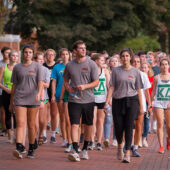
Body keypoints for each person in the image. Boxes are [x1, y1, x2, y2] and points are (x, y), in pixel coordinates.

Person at [104, 48, 143, 163]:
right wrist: (107, 102)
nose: (125, 58)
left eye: (127, 56)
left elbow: (138, 89)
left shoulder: (136, 71)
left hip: (132, 100)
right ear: (120, 58)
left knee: (129, 126)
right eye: (123, 56)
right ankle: (120, 146)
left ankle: (127, 152)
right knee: (119, 126)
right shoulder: (116, 71)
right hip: (118, 100)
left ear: (130, 57)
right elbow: (111, 87)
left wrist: (141, 106)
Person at [63, 40, 99, 162]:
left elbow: (96, 82)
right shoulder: (69, 65)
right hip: (74, 100)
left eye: (84, 48)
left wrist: (85, 86)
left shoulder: (92, 64)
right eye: (80, 48)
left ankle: (85, 148)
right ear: (75, 51)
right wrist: (68, 88)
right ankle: (75, 149)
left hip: (88, 100)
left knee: (88, 125)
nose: (83, 50)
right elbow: (65, 80)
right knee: (74, 124)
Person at [10, 45, 43, 159]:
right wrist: (11, 101)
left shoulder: (38, 66)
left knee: (31, 125)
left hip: (33, 98)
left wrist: (39, 94)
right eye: (25, 52)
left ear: (32, 54)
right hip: (20, 97)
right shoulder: (17, 67)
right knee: (20, 123)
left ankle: (32, 147)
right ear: (22, 54)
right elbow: (14, 85)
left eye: (30, 52)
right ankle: (19, 147)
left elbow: (40, 82)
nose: (27, 54)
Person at [88, 53, 110, 151]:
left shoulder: (105, 71)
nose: (103, 62)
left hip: (102, 98)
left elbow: (109, 86)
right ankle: (92, 141)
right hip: (91, 98)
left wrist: (109, 99)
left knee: (100, 121)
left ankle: (99, 142)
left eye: (103, 60)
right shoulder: (90, 71)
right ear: (96, 61)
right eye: (101, 60)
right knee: (92, 119)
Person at [51, 48, 71, 149]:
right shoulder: (57, 67)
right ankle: (65, 139)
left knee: (69, 119)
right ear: (60, 56)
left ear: (69, 55)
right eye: (63, 54)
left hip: (71, 95)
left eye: (66, 54)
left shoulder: (72, 65)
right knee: (62, 118)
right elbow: (54, 82)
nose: (65, 56)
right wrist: (53, 95)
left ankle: (71, 140)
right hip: (59, 95)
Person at [132, 56, 152, 157]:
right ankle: (126, 145)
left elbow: (147, 91)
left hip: (141, 103)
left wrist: (150, 104)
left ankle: (135, 146)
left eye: (138, 62)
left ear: (140, 64)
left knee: (139, 125)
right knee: (128, 126)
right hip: (129, 103)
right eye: (134, 62)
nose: (136, 63)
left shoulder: (143, 75)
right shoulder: (127, 73)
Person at [151, 58, 170, 153]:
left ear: (169, 65)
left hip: (168, 103)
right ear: (160, 66)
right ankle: (161, 146)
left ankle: (168, 140)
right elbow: (153, 91)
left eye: (166, 64)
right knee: (160, 124)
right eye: (163, 64)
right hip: (158, 102)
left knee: (169, 126)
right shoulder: (156, 77)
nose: (165, 66)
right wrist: (151, 103)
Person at [0, 50, 18, 143]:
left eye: (16, 56)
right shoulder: (3, 68)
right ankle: (10, 136)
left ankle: (16, 135)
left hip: (17, 93)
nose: (14, 57)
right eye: (13, 55)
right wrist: (5, 89)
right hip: (6, 92)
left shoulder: (19, 68)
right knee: (8, 113)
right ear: (9, 57)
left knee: (16, 114)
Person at [34, 52, 50, 145]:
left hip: (43, 97)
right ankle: (34, 139)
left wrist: (39, 83)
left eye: (41, 59)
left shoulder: (45, 70)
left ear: (43, 60)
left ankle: (41, 135)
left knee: (42, 120)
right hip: (32, 97)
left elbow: (47, 85)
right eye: (37, 59)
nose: (39, 61)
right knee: (35, 123)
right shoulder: (31, 69)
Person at [43, 49, 59, 143]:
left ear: (54, 56)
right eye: (48, 55)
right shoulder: (42, 66)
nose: (50, 56)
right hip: (45, 93)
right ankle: (44, 135)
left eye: (52, 55)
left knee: (54, 114)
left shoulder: (56, 66)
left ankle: (53, 135)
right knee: (44, 114)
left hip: (54, 92)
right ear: (45, 56)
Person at [141, 62, 154, 147]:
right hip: (140, 102)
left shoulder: (152, 78)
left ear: (149, 68)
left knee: (146, 120)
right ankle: (138, 138)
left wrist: (151, 104)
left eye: (145, 68)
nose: (143, 69)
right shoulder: (139, 77)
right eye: (142, 67)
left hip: (148, 102)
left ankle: (144, 138)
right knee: (138, 121)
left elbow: (153, 92)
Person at [0, 46, 11, 136]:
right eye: (6, 52)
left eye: (9, 52)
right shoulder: (0, 65)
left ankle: (10, 128)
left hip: (12, 91)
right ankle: (4, 129)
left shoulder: (15, 64)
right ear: (2, 53)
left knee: (10, 111)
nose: (8, 54)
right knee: (3, 110)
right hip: (2, 90)